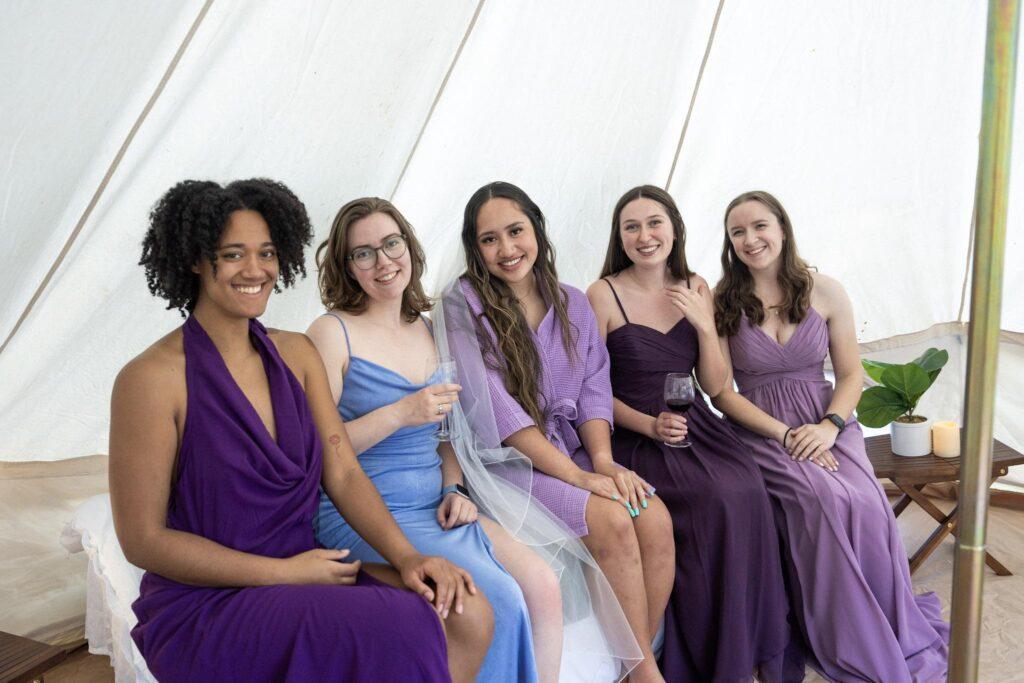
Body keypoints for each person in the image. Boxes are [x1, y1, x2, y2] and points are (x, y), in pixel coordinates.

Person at [110, 179, 492, 683]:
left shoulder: (296, 353)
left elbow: (344, 473)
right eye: (233, 254)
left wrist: (409, 558)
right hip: (209, 602)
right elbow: (143, 541)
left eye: (267, 252)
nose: (255, 270)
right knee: (399, 623)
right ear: (195, 261)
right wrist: (282, 574)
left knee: (467, 610)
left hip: (307, 569)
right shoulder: (149, 380)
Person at [307, 196, 561, 682]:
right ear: (346, 266)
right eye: (364, 253)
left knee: (542, 582)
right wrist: (400, 413)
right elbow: (317, 452)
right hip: (365, 511)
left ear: (410, 247)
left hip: (435, 504)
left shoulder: (427, 328)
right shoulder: (331, 332)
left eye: (391, 244)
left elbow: (445, 434)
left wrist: (453, 488)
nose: (383, 261)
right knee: (498, 599)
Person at [711, 190, 949, 682]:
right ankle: (845, 634)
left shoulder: (826, 291)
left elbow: (850, 375)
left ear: (782, 228)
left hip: (828, 421)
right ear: (730, 243)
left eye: (759, 226)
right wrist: (785, 434)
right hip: (762, 429)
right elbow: (722, 393)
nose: (750, 239)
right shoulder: (723, 302)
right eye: (738, 232)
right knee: (818, 497)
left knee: (864, 500)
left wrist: (828, 427)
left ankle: (886, 623)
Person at [456, 181, 674, 682]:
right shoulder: (464, 305)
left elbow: (595, 388)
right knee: (614, 521)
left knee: (655, 519)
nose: (507, 249)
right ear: (475, 247)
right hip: (509, 465)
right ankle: (646, 676)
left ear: (537, 230)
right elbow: (500, 413)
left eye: (516, 231)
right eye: (490, 239)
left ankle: (635, 662)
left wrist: (602, 462)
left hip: (574, 453)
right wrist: (582, 481)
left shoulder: (572, 301)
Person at [585, 185, 803, 681]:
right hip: (636, 431)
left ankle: (752, 641)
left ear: (674, 229)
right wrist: (649, 425)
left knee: (748, 488)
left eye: (654, 223)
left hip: (698, 423)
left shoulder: (697, 285)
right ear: (620, 237)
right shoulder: (603, 294)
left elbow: (716, 384)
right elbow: (590, 392)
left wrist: (706, 327)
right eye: (632, 226)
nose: (645, 236)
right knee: (711, 499)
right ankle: (708, 651)